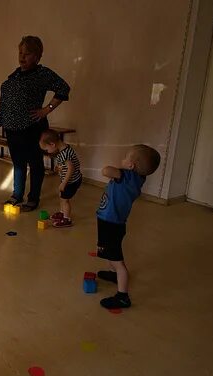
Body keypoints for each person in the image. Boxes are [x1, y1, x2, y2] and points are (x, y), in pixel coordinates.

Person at [0, 35, 70, 211]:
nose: (22, 57)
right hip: (12, 128)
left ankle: (33, 198)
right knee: (18, 163)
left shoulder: (42, 74)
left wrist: (47, 109)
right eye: (20, 52)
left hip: (31, 128)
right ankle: (17, 194)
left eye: (27, 53)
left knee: (35, 164)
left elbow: (63, 88)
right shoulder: (15, 74)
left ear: (37, 56)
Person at [95, 145, 161, 309]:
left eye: (125, 157)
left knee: (117, 260)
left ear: (131, 165)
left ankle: (123, 296)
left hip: (111, 223)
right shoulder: (138, 178)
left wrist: (121, 168)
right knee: (109, 251)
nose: (122, 159)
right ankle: (114, 274)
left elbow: (105, 170)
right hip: (112, 222)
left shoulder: (126, 176)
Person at [39, 129, 82, 227]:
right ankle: (62, 213)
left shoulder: (63, 154)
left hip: (71, 181)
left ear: (52, 144)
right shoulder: (64, 148)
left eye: (46, 149)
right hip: (69, 180)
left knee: (65, 200)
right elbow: (66, 164)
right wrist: (59, 166)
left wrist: (64, 183)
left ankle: (66, 219)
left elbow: (71, 168)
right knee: (62, 197)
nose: (47, 152)